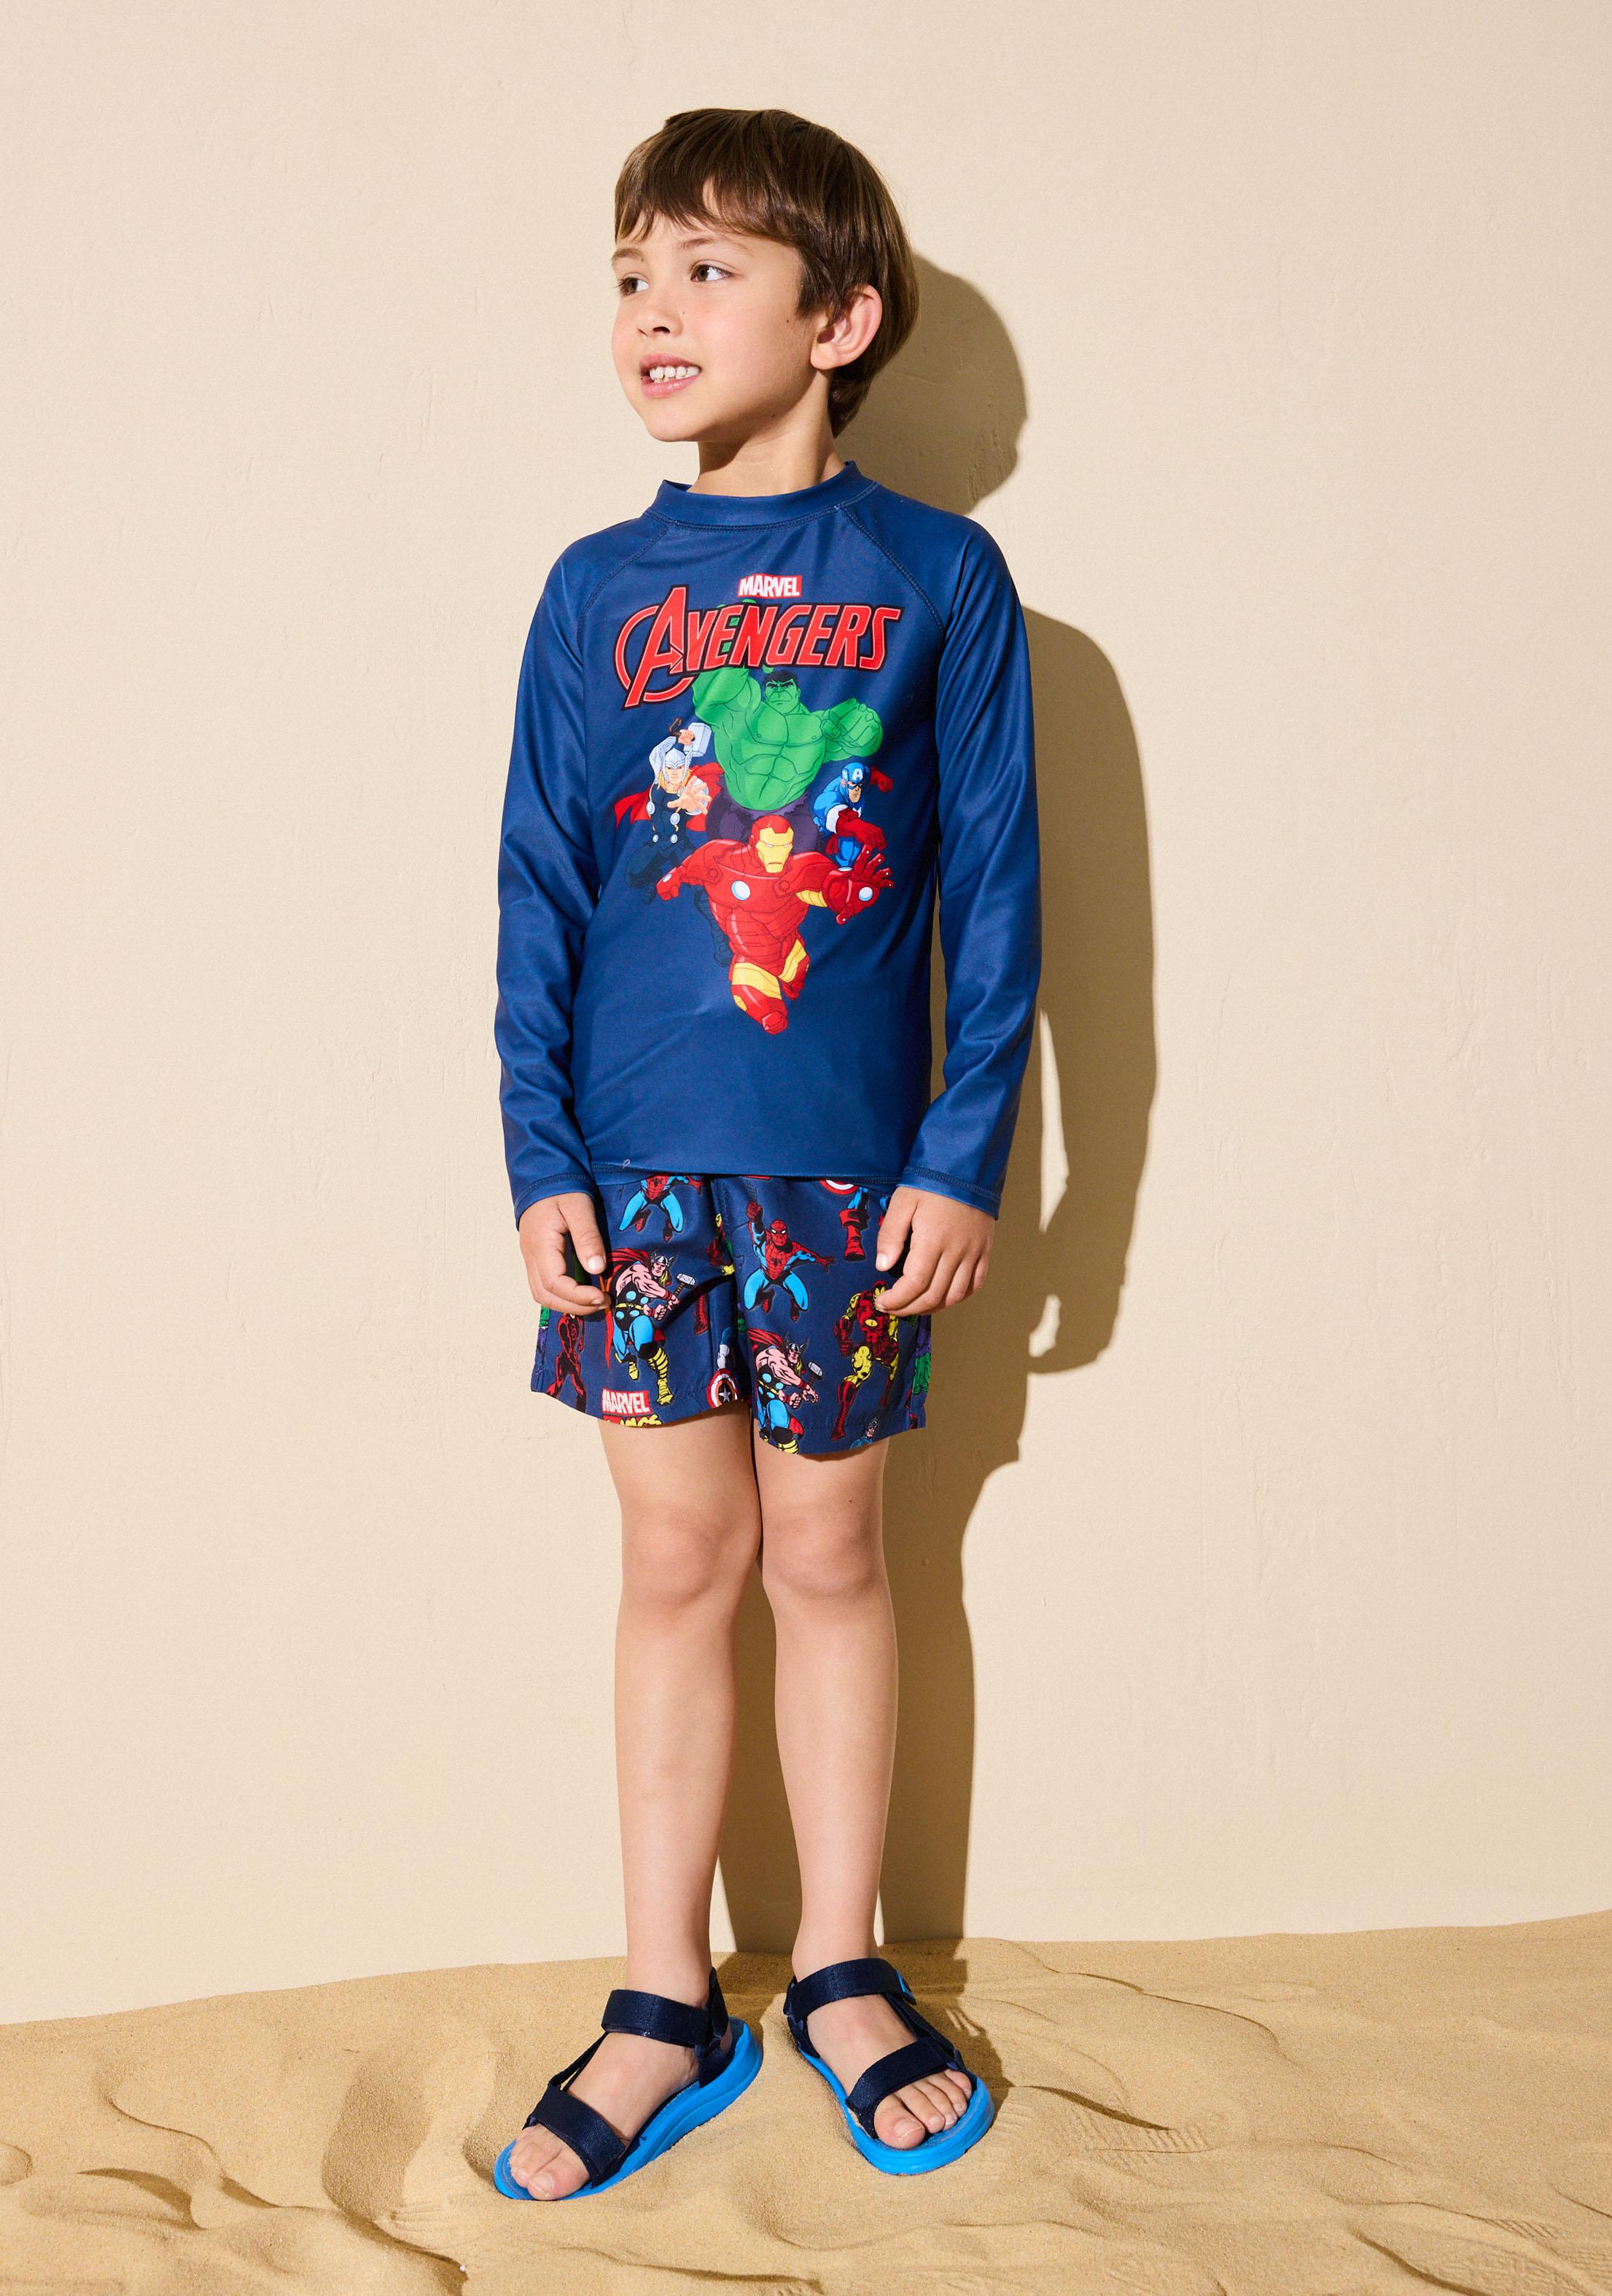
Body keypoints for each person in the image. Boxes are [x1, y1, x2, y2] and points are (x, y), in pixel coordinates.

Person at [490, 106, 1040, 2201]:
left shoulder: (940, 579)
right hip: (633, 1171)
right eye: (634, 271)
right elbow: (541, 886)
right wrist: (538, 1151)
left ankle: (838, 1970)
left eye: (709, 267)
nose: (654, 306)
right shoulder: (592, 591)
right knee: (673, 1562)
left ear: (840, 320)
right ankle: (659, 2002)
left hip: (852, 1175)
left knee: (827, 1557)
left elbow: (996, 896)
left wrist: (966, 1157)